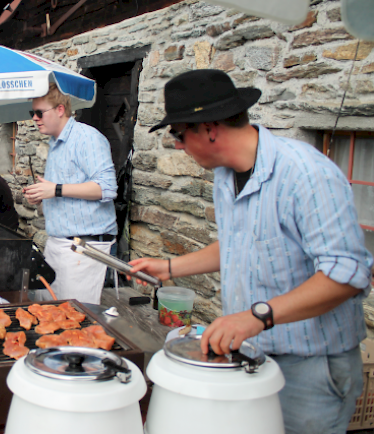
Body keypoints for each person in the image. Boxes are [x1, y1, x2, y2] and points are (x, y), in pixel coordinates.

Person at [129, 69, 373, 434]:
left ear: (210, 128)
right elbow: (239, 244)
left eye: (179, 134)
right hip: (255, 355)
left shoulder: (306, 174)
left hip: (311, 368)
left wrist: (255, 316)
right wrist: (169, 267)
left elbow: (348, 275)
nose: (177, 145)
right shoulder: (227, 175)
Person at [23, 83, 118, 304]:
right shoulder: (55, 143)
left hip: (84, 248)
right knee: (50, 317)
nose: (35, 119)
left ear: (60, 110)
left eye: (39, 112)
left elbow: (107, 188)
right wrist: (42, 195)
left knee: (73, 321)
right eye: (32, 113)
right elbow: (64, 192)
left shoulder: (87, 138)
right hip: (60, 244)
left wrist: (55, 189)